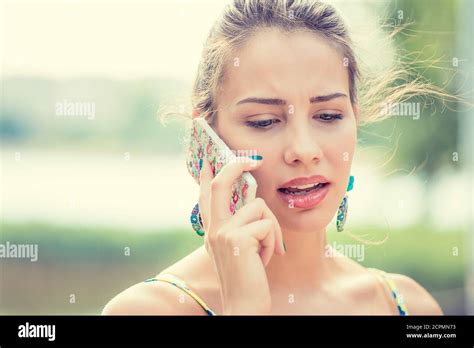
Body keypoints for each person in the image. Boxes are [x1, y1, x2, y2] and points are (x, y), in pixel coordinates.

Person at [102, 0, 444, 316]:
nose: (304, 150)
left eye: (328, 116)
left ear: (354, 117)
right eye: (264, 121)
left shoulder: (409, 306)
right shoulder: (149, 310)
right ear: (206, 139)